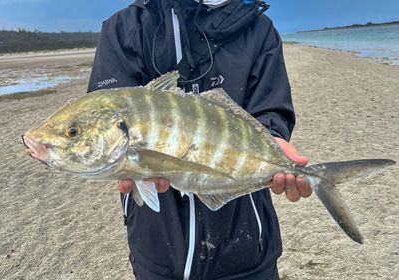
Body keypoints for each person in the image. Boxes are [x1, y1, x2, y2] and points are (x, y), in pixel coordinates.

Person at [87, 0, 311, 279]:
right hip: (157, 252)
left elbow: (270, 111)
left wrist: (273, 140)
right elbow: (110, 108)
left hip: (249, 250)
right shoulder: (125, 28)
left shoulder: (259, 28)